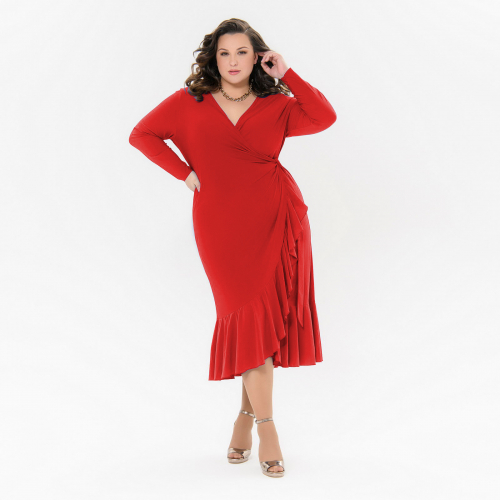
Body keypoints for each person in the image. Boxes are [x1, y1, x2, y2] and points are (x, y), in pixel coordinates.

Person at [129, 18, 337, 478]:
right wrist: (184, 173)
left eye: (242, 52)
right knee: (244, 316)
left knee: (258, 325)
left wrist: (288, 74)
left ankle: (253, 423)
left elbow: (324, 117)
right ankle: (263, 425)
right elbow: (141, 134)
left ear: (258, 56)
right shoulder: (189, 102)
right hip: (220, 226)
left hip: (275, 219)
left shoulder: (276, 104)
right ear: (213, 58)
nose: (233, 61)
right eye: (224, 53)